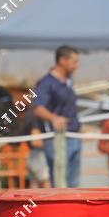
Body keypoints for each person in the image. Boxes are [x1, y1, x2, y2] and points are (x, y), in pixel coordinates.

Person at [33, 46, 81, 187]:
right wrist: (53, 118)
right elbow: (38, 107)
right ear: (62, 61)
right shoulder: (46, 83)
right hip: (57, 139)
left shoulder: (68, 81)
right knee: (60, 183)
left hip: (74, 135)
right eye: (74, 62)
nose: (77, 66)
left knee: (73, 184)